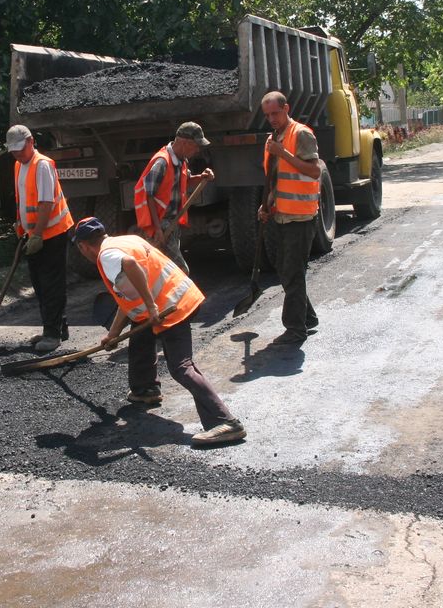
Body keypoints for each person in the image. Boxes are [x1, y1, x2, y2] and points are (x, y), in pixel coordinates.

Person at [70, 216, 245, 447]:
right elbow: (127, 299)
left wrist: (151, 305)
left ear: (83, 246)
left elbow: (131, 266)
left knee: (181, 367)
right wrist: (113, 334)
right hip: (177, 297)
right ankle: (146, 389)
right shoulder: (125, 240)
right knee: (140, 333)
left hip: (171, 306)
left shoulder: (107, 255)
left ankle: (225, 422)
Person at [258, 90, 321, 345]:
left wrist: (283, 153)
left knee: (292, 273)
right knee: (286, 270)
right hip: (282, 214)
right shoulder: (273, 138)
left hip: (302, 217)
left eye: (275, 113)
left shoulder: (301, 134)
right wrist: (267, 205)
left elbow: (314, 171)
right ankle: (308, 317)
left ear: (286, 108)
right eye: (267, 115)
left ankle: (295, 329)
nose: (271, 118)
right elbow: (275, 180)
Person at [8, 124, 74, 353]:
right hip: (34, 234)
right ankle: (58, 327)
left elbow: (46, 203)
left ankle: (52, 334)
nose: (17, 153)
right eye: (13, 150)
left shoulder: (42, 165)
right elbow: (23, 198)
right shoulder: (19, 165)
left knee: (51, 285)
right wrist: (21, 224)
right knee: (39, 284)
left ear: (30, 142)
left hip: (52, 234)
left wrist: (37, 235)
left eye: (20, 148)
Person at [133, 121, 215, 274]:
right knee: (180, 270)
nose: (197, 150)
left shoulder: (181, 161)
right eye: (196, 146)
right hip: (161, 224)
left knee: (162, 270)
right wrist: (157, 228)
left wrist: (202, 177)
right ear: (184, 143)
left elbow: (186, 181)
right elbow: (148, 195)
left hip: (172, 222)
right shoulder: (162, 162)